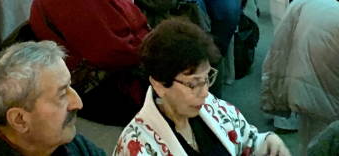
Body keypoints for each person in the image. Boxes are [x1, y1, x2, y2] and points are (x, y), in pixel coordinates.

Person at [116, 18, 290, 156]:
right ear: (159, 84)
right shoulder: (137, 145)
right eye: (193, 84)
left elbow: (246, 139)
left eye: (207, 78)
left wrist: (265, 142)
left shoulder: (211, 106)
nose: (205, 92)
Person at [0, 40, 107, 156]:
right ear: (19, 119)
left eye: (70, 86)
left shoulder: (64, 143)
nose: (78, 103)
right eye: (62, 95)